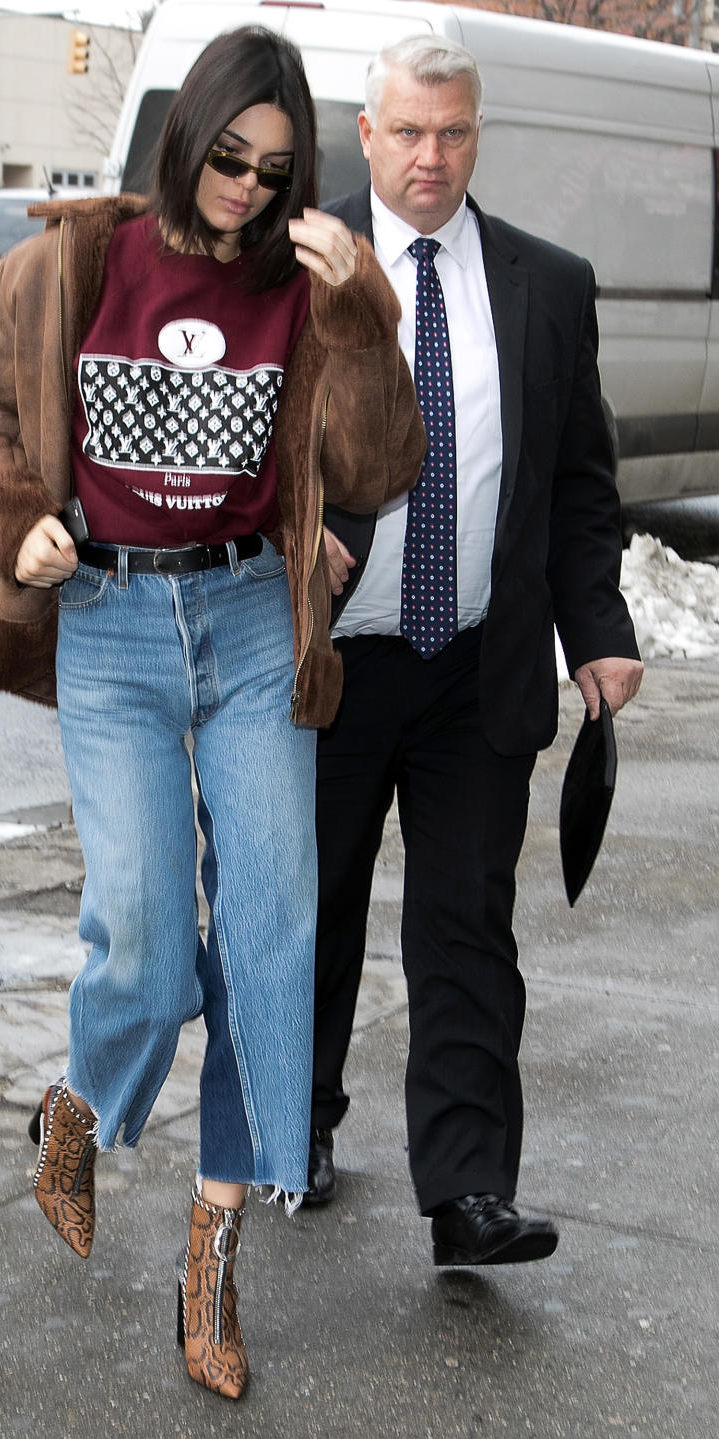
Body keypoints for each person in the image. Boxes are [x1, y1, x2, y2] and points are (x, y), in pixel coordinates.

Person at [0, 26, 423, 1399]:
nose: (247, 190)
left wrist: (361, 316)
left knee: (270, 934)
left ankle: (210, 1253)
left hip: (246, 622)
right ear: (186, 136)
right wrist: (17, 521)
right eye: (228, 159)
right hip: (109, 626)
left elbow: (379, 465)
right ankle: (79, 1105)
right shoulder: (74, 265)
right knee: (149, 945)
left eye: (275, 172)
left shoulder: (308, 290)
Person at [304, 35, 644, 1269]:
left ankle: (466, 1191)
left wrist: (596, 631)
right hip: (333, 663)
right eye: (408, 132)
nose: (431, 156)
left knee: (465, 927)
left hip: (479, 665)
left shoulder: (550, 283)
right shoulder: (307, 267)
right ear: (367, 131)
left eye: (453, 132)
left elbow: (578, 482)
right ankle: (301, 1121)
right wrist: (306, 543)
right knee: (316, 908)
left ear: (478, 133)